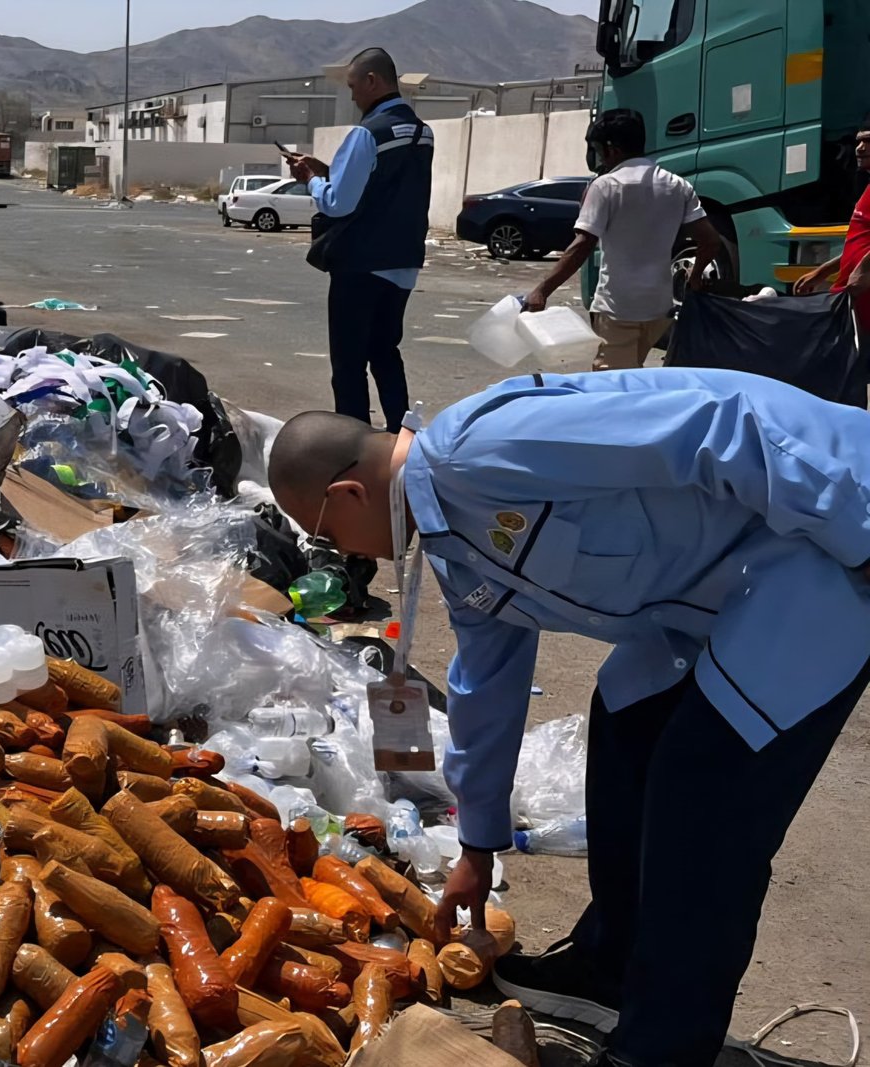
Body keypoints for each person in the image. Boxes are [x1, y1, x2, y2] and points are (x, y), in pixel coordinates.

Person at [266, 368, 870, 1067]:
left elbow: (721, 421)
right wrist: (478, 841)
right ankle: (611, 963)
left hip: (821, 556)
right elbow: (485, 685)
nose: (347, 557)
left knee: (700, 806)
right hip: (706, 599)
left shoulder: (485, 445)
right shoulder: (453, 544)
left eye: (331, 535)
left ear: (349, 493)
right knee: (624, 728)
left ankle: (663, 1048)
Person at [290, 48, 432, 432]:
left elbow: (338, 203)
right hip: (403, 263)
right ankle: (402, 436)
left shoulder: (366, 133)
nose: (352, 96)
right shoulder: (422, 132)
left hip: (361, 265)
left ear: (372, 81)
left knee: (349, 363)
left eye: (354, 87)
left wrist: (312, 180)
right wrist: (329, 169)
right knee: (385, 353)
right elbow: (386, 186)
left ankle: (353, 445)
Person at [524, 109, 723, 371]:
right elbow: (710, 240)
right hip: (659, 309)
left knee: (611, 388)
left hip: (618, 309)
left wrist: (542, 290)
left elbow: (582, 245)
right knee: (634, 377)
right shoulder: (677, 185)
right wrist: (695, 277)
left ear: (612, 149)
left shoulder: (607, 186)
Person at [795, 118, 870, 337]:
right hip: (851, 295)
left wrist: (864, 271)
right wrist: (823, 271)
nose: (859, 148)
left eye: (868, 141)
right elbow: (860, 241)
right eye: (858, 141)